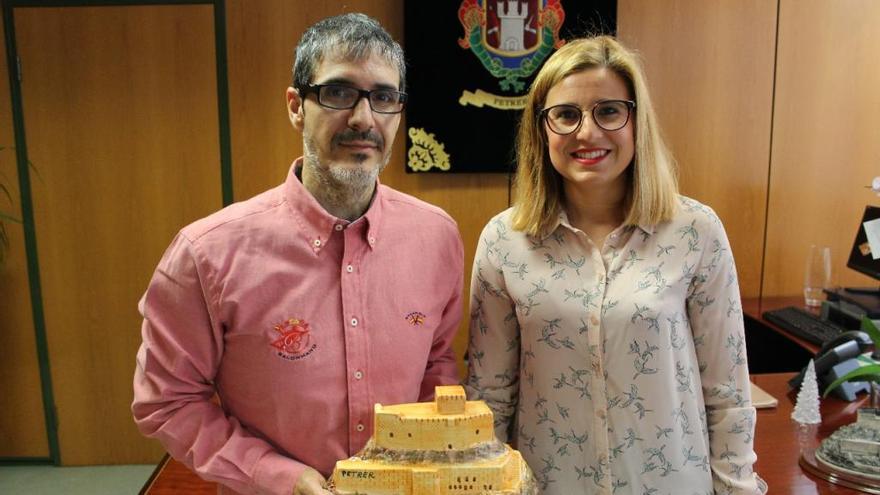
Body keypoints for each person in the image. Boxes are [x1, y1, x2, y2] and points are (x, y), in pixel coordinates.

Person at [132, 13, 464, 495]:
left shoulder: (437, 237)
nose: (362, 119)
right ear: (295, 106)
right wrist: (279, 477)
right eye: (338, 93)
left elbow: (436, 364)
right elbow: (166, 401)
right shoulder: (207, 254)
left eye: (384, 97)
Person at [464, 36, 766, 494]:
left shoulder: (695, 232)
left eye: (608, 111)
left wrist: (737, 488)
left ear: (636, 122)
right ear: (542, 129)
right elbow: (489, 398)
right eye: (566, 115)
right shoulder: (504, 242)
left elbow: (727, 394)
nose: (587, 132)